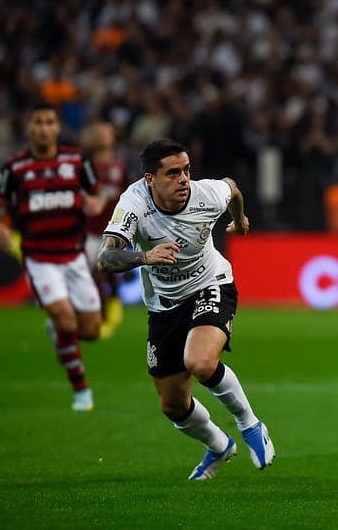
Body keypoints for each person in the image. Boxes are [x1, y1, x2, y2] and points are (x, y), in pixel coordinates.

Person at [97, 139, 274, 480]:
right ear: (150, 179)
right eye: (173, 173)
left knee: (200, 361)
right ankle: (219, 446)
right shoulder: (133, 204)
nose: (184, 179)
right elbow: (106, 257)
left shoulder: (205, 194)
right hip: (163, 305)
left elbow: (232, 189)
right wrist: (145, 256)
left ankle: (250, 424)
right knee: (173, 405)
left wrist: (239, 220)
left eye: (187, 170)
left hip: (211, 283)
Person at [0, 102, 107, 411]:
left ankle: (56, 328)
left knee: (92, 330)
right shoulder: (14, 168)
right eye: (37, 122)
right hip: (39, 259)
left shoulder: (77, 160)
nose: (43, 128)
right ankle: (81, 392)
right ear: (29, 128)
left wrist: (94, 203)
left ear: (57, 127)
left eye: (49, 122)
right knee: (68, 321)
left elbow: (97, 193)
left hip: (74, 256)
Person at [81, 122, 130, 338]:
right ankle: (101, 313)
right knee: (90, 277)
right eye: (98, 132)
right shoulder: (86, 168)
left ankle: (105, 315)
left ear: (112, 138)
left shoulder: (120, 165)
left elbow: (129, 194)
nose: (101, 136)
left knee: (101, 273)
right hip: (89, 231)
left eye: (105, 132)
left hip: (113, 230)